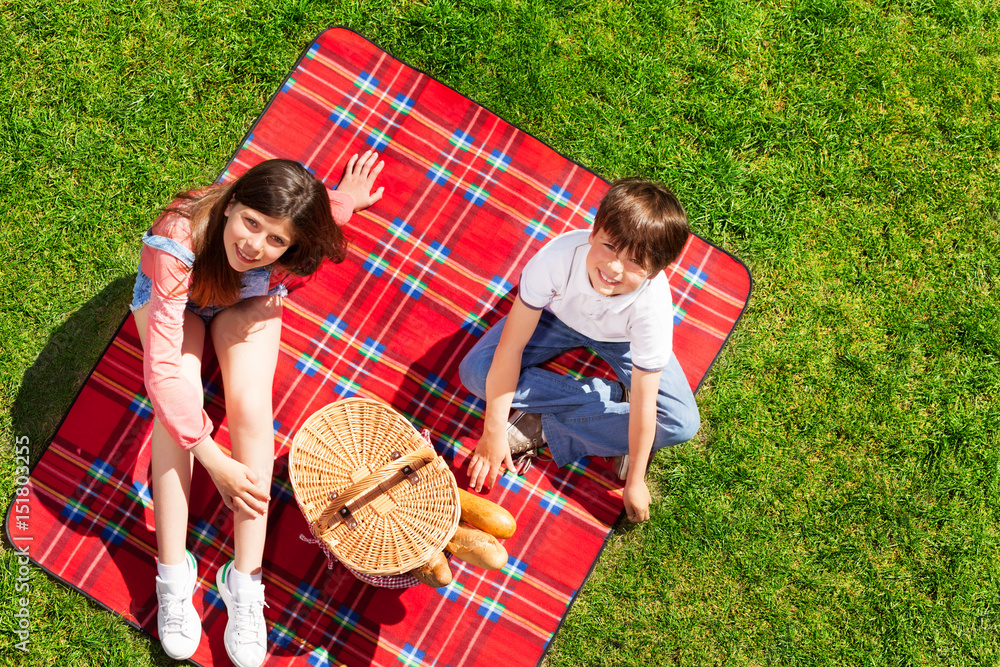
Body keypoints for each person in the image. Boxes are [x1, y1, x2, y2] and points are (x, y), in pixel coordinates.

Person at [130, 153, 384, 666]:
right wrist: (215, 462)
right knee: (177, 396)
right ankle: (173, 572)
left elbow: (325, 216)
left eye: (276, 240)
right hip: (174, 302)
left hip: (246, 303)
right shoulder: (177, 241)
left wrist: (347, 201)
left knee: (251, 407)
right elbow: (159, 373)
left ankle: (243, 581)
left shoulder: (289, 251)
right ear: (231, 205)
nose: (255, 245)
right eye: (251, 222)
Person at [459, 177, 700, 524]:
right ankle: (606, 395)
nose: (615, 268)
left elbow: (647, 402)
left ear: (656, 272)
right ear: (593, 231)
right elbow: (510, 347)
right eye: (609, 247)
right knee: (476, 372)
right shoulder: (554, 260)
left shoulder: (653, 310)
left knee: (680, 422)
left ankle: (544, 428)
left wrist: (636, 480)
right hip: (555, 319)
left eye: (635, 262)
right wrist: (493, 430)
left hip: (623, 340)